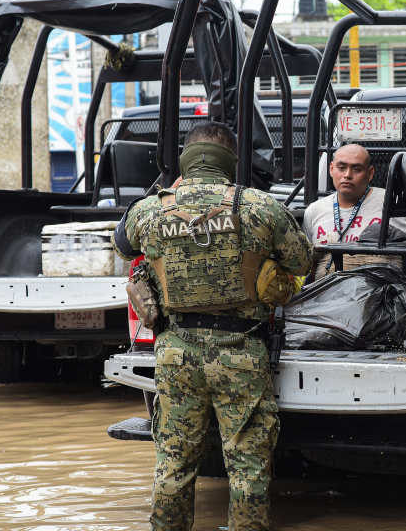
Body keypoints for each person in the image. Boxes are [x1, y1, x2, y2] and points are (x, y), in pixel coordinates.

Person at [111, 121, 312, 531]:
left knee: (173, 462)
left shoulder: (152, 208)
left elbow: (122, 242)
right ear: (232, 163)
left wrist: (171, 197)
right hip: (241, 352)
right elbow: (302, 262)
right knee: (248, 466)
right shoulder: (260, 205)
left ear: (186, 160)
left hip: (176, 351)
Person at [303, 143, 406, 279]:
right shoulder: (314, 211)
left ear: (370, 173)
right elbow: (310, 263)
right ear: (331, 169)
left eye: (357, 169)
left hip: (381, 295)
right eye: (341, 168)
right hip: (328, 296)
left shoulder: (391, 203)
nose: (347, 175)